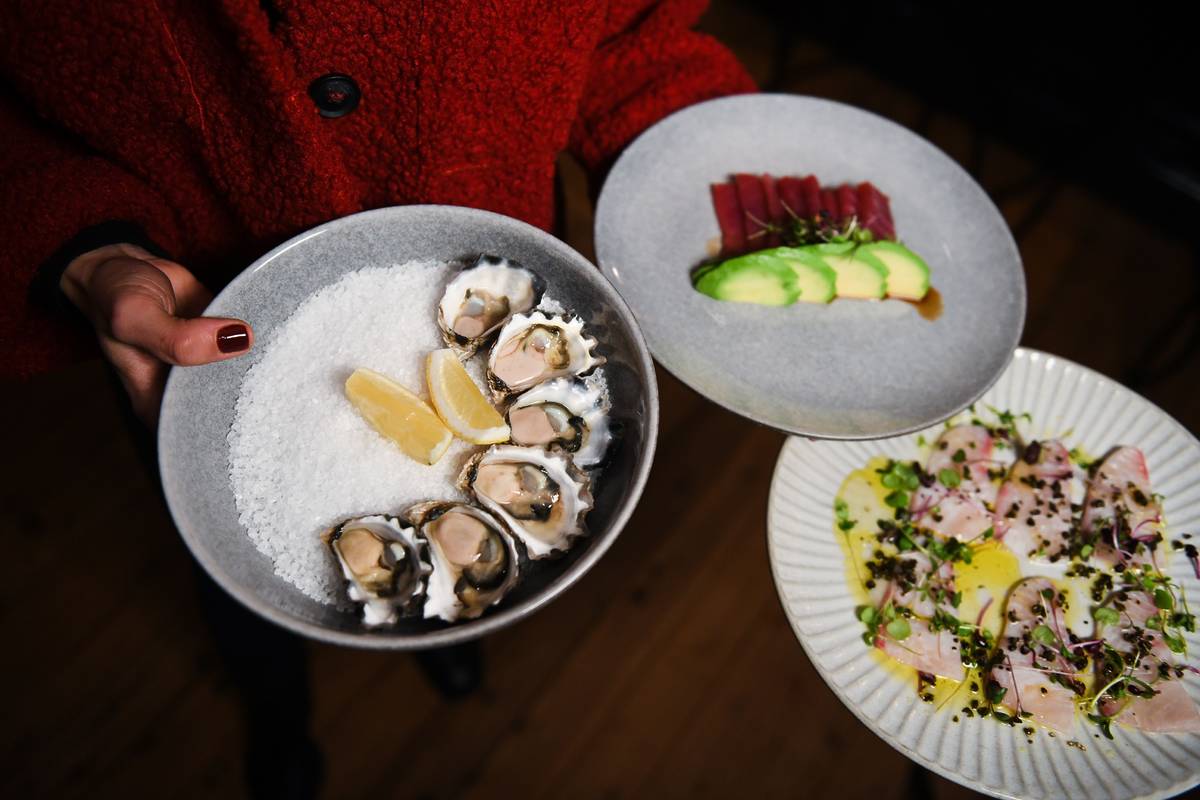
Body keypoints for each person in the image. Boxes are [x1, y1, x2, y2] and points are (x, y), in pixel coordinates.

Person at [1, 2, 753, 796]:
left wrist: (708, 168)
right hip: (199, 341)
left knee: (449, 588)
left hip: (485, 247)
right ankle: (278, 713)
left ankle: (447, 621)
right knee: (237, 584)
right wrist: (84, 245)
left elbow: (633, 40)